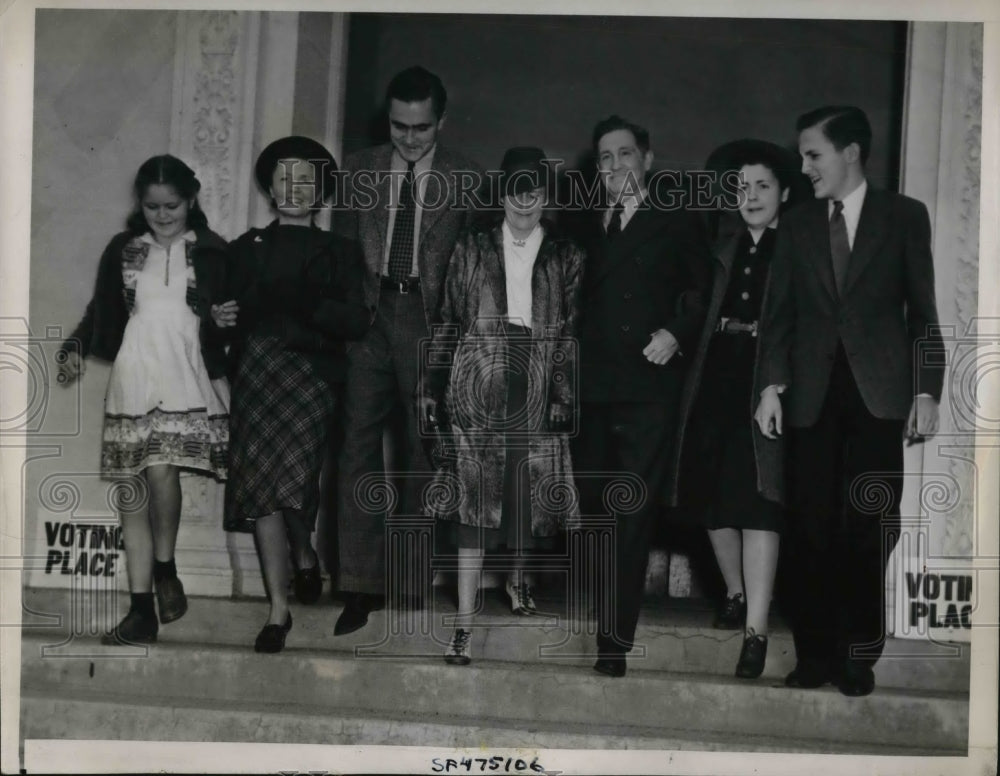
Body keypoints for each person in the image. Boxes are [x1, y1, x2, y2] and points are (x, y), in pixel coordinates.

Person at [754, 106, 944, 696]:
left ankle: (857, 657)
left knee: (870, 527)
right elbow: (778, 316)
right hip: (810, 398)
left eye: (813, 154)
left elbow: (924, 314)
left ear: (851, 153)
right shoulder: (797, 223)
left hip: (878, 399)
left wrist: (926, 390)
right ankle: (813, 657)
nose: (805, 166)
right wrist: (770, 386)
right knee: (810, 528)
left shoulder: (905, 216)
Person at [417, 147, 584, 665]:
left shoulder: (566, 254)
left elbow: (570, 331)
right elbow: (448, 318)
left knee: (524, 491)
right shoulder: (471, 246)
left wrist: (563, 395)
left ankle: (518, 580)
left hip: (537, 376)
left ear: (546, 196)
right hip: (477, 376)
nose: (525, 200)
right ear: (503, 193)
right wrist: (432, 384)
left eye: (534, 190)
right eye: (516, 189)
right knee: (473, 501)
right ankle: (464, 623)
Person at [333, 65, 482, 636]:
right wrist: (345, 321)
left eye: (421, 127)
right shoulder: (359, 168)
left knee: (426, 452)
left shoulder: (467, 176)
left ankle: (411, 583)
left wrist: (459, 338)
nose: (410, 138)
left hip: (430, 320)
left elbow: (474, 267)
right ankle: (359, 584)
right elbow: (343, 253)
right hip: (369, 319)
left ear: (441, 121)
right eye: (400, 126)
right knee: (356, 449)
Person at [57, 155, 230, 645]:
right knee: (132, 489)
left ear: (190, 200)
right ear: (141, 204)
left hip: (182, 371)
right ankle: (140, 611)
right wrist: (74, 347)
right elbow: (101, 309)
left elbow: (231, 315)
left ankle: (165, 566)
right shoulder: (125, 248)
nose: (162, 215)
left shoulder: (213, 251)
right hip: (134, 372)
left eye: (171, 205)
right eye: (152, 206)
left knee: (160, 471)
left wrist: (224, 321)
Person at [216, 136, 369, 653]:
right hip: (258, 372)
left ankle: (304, 552)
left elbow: (356, 321)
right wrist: (219, 317)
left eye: (306, 179)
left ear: (320, 191)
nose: (295, 188)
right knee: (263, 485)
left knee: (294, 480)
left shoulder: (341, 252)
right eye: (285, 178)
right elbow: (223, 314)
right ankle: (277, 611)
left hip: (311, 375)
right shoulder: (245, 249)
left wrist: (306, 304)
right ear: (270, 188)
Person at [573, 116, 711, 677]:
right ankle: (606, 615)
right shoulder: (585, 223)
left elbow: (703, 292)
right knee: (595, 510)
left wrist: (676, 332)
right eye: (605, 158)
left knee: (629, 512)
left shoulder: (676, 219)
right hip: (591, 390)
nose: (615, 166)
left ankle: (614, 642)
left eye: (625, 154)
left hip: (647, 390)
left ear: (647, 159)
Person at [673, 139, 806, 679]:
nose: (750, 196)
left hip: (767, 381)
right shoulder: (719, 245)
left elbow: (800, 325)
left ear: (784, 194)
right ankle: (734, 590)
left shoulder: (798, 249)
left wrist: (776, 384)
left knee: (760, 502)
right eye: (742, 187)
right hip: (715, 375)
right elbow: (692, 306)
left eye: (762, 186)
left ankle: (756, 631)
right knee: (711, 497)